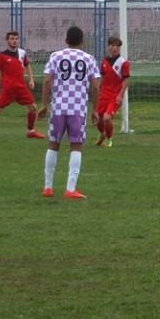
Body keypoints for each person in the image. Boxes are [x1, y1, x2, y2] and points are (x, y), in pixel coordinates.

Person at [37, 26, 101, 199]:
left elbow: (47, 81)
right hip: (77, 109)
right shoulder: (89, 59)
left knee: (53, 144)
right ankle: (70, 188)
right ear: (82, 41)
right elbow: (95, 86)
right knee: (76, 146)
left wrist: (44, 105)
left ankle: (48, 187)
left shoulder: (55, 56)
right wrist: (95, 109)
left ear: (66, 40)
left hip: (58, 107)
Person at [0, 30, 44, 142]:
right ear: (7, 40)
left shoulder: (22, 53)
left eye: (16, 39)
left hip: (21, 88)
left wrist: (31, 80)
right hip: (8, 89)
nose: (14, 41)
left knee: (33, 108)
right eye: (12, 39)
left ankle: (31, 131)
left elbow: (27, 67)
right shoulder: (2, 56)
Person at [95, 36, 131, 147]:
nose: (115, 48)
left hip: (115, 96)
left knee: (107, 118)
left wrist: (121, 95)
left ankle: (109, 140)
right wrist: (97, 91)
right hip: (103, 95)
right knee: (98, 119)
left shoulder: (123, 63)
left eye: (117, 46)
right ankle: (103, 134)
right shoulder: (104, 61)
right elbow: (102, 78)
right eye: (112, 45)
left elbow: (126, 79)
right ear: (108, 46)